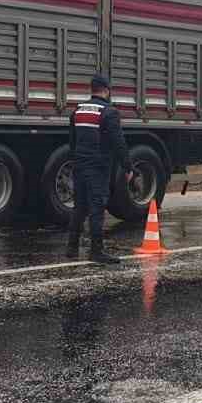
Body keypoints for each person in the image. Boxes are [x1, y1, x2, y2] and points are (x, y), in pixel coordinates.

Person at [68, 74, 133, 264]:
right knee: (97, 207)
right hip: (98, 167)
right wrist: (127, 166)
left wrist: (75, 160)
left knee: (80, 206)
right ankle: (96, 251)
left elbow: (72, 141)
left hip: (80, 165)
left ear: (92, 89)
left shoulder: (78, 110)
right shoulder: (109, 112)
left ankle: (72, 248)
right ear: (106, 90)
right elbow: (118, 142)